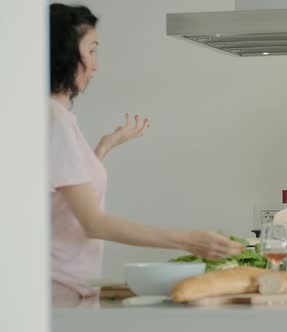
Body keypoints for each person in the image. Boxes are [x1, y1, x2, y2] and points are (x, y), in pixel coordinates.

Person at [49, 3, 243, 305]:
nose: (96, 65)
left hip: (74, 288)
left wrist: (103, 148)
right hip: (59, 291)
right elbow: (93, 222)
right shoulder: (54, 120)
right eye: (91, 50)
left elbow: (64, 195)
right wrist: (188, 241)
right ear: (65, 53)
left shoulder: (58, 118)